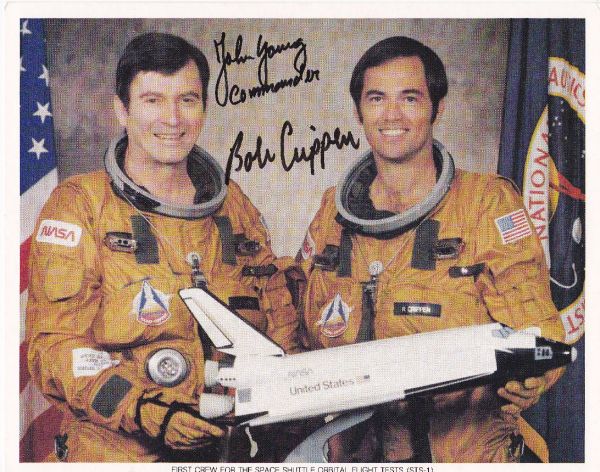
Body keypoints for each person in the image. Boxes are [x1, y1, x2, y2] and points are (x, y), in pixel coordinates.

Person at [25, 32, 301, 462]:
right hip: (118, 454)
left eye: (187, 100)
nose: (172, 119)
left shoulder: (233, 206)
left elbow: (278, 314)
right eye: (153, 100)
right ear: (122, 110)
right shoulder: (81, 206)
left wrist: (287, 411)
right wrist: (146, 410)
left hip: (224, 451)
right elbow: (57, 348)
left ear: (203, 108)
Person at [297, 36, 566, 463]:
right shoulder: (333, 212)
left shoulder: (485, 205)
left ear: (437, 109)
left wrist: (533, 375)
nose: (392, 115)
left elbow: (538, 326)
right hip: (357, 453)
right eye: (377, 99)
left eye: (410, 98)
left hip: (464, 454)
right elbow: (295, 322)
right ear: (359, 111)